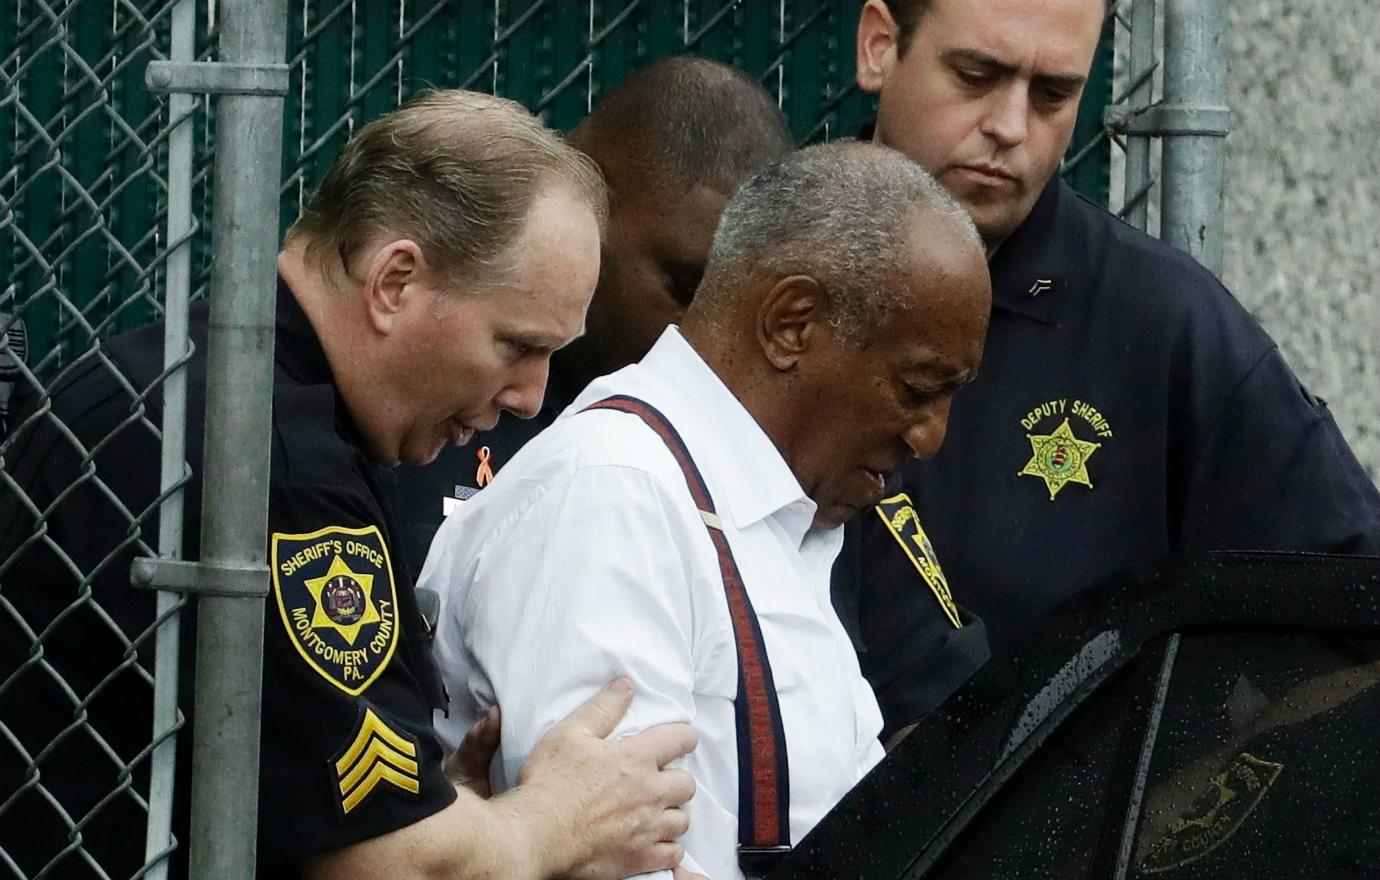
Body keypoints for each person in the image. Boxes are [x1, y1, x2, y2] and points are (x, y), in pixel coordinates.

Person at [0, 90, 701, 880]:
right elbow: (394, 869)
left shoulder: (175, 377)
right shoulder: (270, 460)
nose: (532, 398)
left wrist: (453, 813)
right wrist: (556, 821)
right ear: (395, 282)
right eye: (517, 345)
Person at [422, 141, 992, 879]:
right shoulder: (612, 496)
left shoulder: (772, 513)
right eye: (917, 388)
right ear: (792, 324)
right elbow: (611, 868)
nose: (932, 435)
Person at [845, 0, 1380, 692]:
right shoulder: (743, 279)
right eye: (977, 74)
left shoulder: (1161, 324)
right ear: (879, 47)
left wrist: (1197, 794)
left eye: (1053, 94)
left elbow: (1354, 608)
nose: (1010, 127)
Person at [390, 57, 792, 579]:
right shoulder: (437, 400)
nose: (704, 341)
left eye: (740, 313)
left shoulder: (755, 451)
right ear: (590, 199)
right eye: (684, 288)